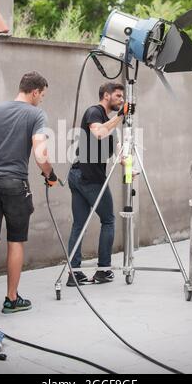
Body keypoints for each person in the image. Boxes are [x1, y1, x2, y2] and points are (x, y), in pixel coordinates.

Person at [0, 71, 57, 318]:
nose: (42, 100)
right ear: (35, 91)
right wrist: (50, 175)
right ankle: (12, 299)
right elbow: (40, 154)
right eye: (42, 95)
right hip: (14, 185)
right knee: (16, 240)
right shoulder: (36, 114)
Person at [66, 81, 128, 286]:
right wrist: (121, 116)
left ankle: (73, 274)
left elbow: (118, 151)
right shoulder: (94, 111)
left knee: (79, 225)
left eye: (122, 96)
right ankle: (103, 271)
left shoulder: (109, 122)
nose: (121, 100)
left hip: (79, 176)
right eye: (118, 96)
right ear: (106, 95)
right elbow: (98, 132)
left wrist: (129, 166)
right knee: (108, 220)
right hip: (89, 179)